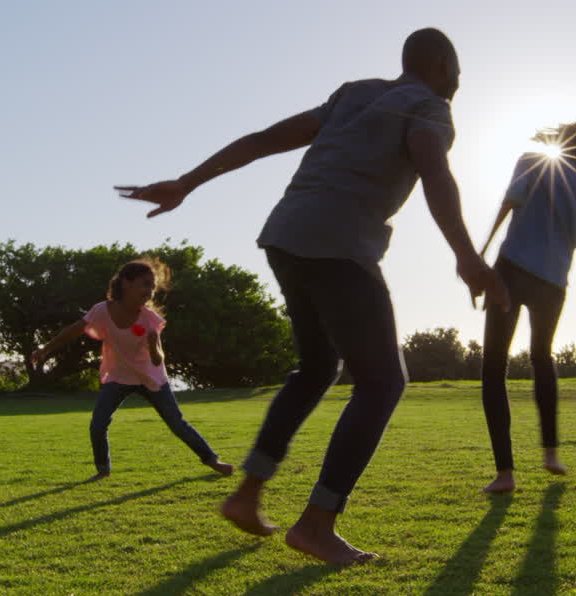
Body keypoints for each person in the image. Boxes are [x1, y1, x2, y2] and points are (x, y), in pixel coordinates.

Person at [115, 28, 508, 565]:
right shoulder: (430, 106)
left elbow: (263, 140)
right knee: (385, 380)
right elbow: (436, 173)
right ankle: (317, 524)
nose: (459, 81)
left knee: (319, 364)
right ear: (441, 65)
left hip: (287, 237)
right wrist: (467, 255)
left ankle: (247, 496)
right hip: (339, 246)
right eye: (457, 70)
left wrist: (188, 182)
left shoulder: (356, 92)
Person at [478, 120, 576, 494]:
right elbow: (574, 241)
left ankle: (505, 474)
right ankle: (551, 453)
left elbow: (507, 207)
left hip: (511, 270)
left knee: (494, 366)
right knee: (542, 356)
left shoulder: (532, 161)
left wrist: (480, 259)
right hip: (554, 281)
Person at [31, 258, 234, 481]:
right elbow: (75, 329)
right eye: (145, 284)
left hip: (151, 377)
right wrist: (45, 349)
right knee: (98, 424)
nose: (150, 291)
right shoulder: (101, 311)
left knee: (177, 423)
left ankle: (212, 460)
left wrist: (153, 345)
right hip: (118, 376)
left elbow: (158, 360)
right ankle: (103, 470)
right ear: (126, 283)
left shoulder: (150, 320)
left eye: (153, 287)